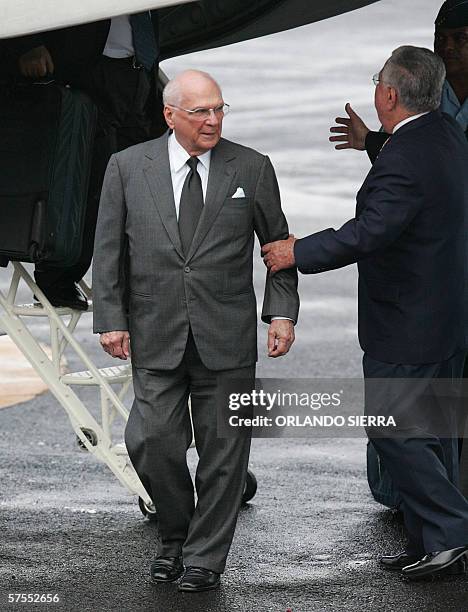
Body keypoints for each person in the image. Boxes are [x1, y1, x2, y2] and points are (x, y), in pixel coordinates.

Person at [262, 46, 468, 579]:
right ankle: (431, 541)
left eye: (379, 81)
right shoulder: (443, 133)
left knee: (394, 431)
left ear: (390, 95)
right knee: (433, 428)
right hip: (445, 314)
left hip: (407, 323)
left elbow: (372, 230)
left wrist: (296, 252)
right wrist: (369, 141)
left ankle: (451, 532)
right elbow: (411, 172)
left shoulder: (407, 156)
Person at [92, 70, 299, 592]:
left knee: (224, 452)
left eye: (219, 109)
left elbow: (278, 244)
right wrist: (111, 317)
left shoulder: (251, 167)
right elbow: (109, 249)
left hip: (225, 337)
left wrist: (281, 311)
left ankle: (205, 556)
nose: (213, 121)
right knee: (149, 440)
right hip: (154, 331)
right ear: (170, 116)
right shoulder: (125, 167)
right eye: (201, 112)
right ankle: (176, 535)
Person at [4, 13, 162, 310]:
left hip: (137, 69)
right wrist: (26, 43)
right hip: (84, 66)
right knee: (86, 176)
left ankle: (135, 281)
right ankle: (58, 277)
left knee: (138, 181)